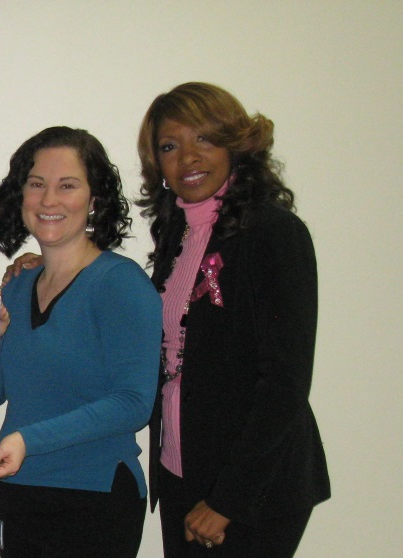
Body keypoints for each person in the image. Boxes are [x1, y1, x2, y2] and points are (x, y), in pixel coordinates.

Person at [137, 82, 329, 556]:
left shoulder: (274, 232)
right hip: (183, 471)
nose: (188, 157)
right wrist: (47, 266)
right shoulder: (177, 235)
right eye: (169, 146)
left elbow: (285, 382)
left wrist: (229, 500)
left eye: (203, 138)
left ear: (235, 144)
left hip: (252, 488)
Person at [0, 126, 161, 557]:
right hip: (19, 494)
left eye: (67, 186)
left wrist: (27, 441)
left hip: (92, 499)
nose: (49, 200)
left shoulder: (121, 283)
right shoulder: (16, 288)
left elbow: (134, 403)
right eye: (37, 184)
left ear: (95, 199)